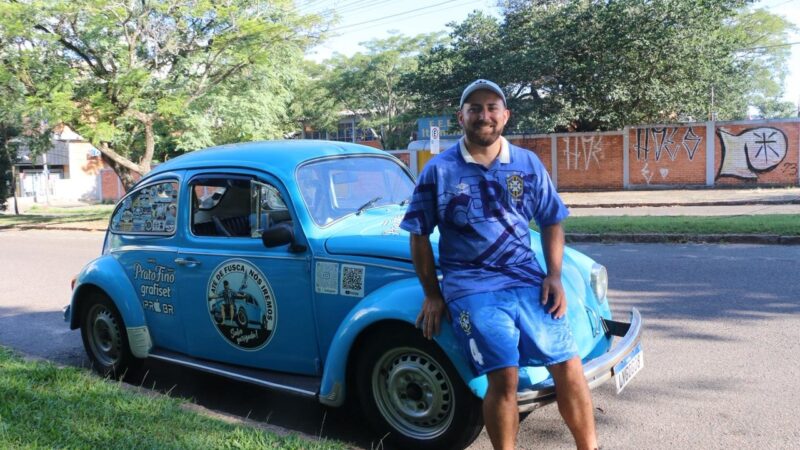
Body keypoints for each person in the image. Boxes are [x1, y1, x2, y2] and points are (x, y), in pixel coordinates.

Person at [399, 79, 598, 450]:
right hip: (471, 286)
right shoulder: (439, 170)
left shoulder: (527, 163)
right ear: (461, 117)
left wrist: (554, 276)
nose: (484, 115)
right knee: (504, 377)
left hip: (526, 280)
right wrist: (433, 294)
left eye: (492, 107)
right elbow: (418, 234)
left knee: (569, 366)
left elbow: (552, 219)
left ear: (506, 115)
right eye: (475, 108)